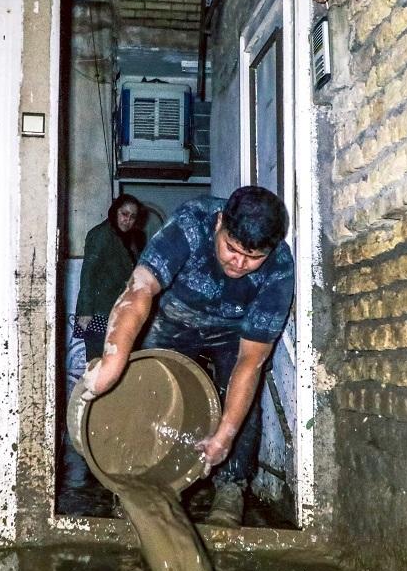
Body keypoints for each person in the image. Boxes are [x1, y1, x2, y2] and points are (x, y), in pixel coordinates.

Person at [81, 186, 294, 527]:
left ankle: (231, 489)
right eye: (232, 248)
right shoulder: (192, 223)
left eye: (253, 257)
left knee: (241, 403)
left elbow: (250, 361)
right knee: (150, 392)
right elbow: (140, 289)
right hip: (172, 320)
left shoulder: (279, 269)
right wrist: (112, 361)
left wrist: (225, 435)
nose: (239, 263)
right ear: (220, 223)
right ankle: (141, 485)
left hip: (233, 332)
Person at [75, 194, 145, 361]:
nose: (127, 220)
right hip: (98, 312)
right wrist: (85, 312)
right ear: (115, 212)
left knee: (115, 364)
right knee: (98, 364)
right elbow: (88, 273)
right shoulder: (101, 234)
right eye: (124, 214)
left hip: (115, 310)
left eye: (132, 216)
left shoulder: (127, 239)